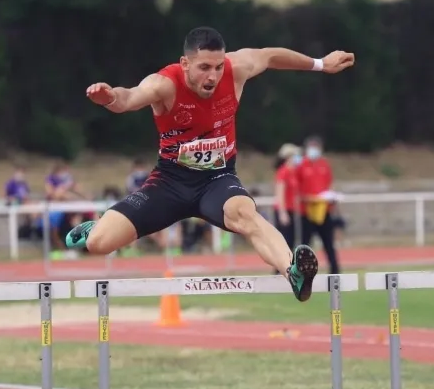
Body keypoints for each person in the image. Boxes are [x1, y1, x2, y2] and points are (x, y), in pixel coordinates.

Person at [64, 26, 355, 302]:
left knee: (245, 214)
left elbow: (269, 56)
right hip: (169, 183)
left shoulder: (236, 68)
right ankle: (93, 229)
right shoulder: (164, 84)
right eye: (204, 67)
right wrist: (110, 97)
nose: (213, 76)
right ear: (185, 63)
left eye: (217, 67)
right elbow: (128, 98)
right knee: (99, 244)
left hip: (217, 180)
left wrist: (321, 64)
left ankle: (293, 271)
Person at [297, 135, 341, 275]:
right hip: (307, 210)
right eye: (312, 147)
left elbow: (330, 184)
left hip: (323, 209)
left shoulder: (324, 164)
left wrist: (332, 198)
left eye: (316, 147)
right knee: (305, 243)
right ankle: (301, 270)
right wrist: (305, 198)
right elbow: (296, 187)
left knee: (328, 242)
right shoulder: (301, 165)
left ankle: (335, 270)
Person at [273, 143, 303, 249]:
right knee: (285, 241)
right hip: (284, 210)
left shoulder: (293, 172)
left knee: (291, 241)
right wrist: (282, 212)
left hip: (291, 209)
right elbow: (280, 193)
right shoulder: (283, 172)